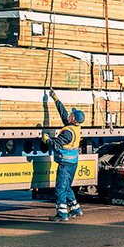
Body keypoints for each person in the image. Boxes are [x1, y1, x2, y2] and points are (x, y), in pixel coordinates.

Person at [42, 89, 86, 222]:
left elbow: (56, 145)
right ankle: (76, 209)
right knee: (66, 186)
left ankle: (62, 214)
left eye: (71, 114)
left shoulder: (67, 133)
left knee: (60, 188)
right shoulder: (74, 127)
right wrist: (55, 98)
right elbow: (63, 113)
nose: (69, 114)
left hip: (65, 164)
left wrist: (47, 140)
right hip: (72, 162)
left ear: (73, 119)